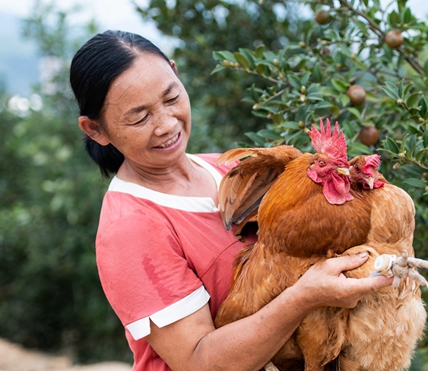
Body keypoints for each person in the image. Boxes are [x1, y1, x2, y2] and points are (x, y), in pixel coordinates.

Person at [70, 30, 393, 371]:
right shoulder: (131, 227)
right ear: (96, 130)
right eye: (140, 117)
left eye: (170, 98)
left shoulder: (230, 170)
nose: (166, 124)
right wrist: (305, 297)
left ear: (177, 74)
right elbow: (200, 362)